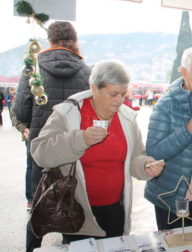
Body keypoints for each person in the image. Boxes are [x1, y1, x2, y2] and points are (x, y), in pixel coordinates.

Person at [31, 60, 165, 242]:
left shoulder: (127, 118)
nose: (120, 100)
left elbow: (135, 157)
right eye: (113, 94)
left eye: (123, 94)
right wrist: (80, 139)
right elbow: (40, 152)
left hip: (115, 209)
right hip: (76, 211)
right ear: (94, 88)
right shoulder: (70, 113)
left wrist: (145, 165)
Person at [12, 21, 91, 252]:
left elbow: (21, 111)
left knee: (39, 205)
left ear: (50, 41)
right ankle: (69, 246)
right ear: (74, 41)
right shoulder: (87, 71)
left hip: (42, 149)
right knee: (72, 203)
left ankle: (32, 247)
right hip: (75, 149)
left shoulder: (33, 69)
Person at [144, 46, 192, 230]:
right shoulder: (166, 104)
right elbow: (153, 152)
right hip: (170, 196)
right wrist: (189, 129)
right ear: (183, 72)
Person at [9, 106, 33, 210]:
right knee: (31, 166)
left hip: (51, 135)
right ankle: (31, 199)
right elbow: (14, 111)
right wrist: (23, 129)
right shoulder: (27, 89)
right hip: (31, 135)